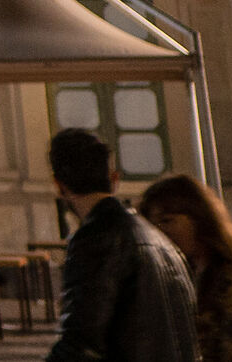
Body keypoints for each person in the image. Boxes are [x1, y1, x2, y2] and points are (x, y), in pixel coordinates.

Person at [44, 128, 198, 362]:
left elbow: (80, 343)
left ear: (59, 184)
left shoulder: (95, 238)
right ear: (114, 180)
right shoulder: (159, 238)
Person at [140, 176, 232, 362]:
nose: (158, 232)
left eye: (166, 221)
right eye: (152, 225)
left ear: (198, 217)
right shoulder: (183, 277)